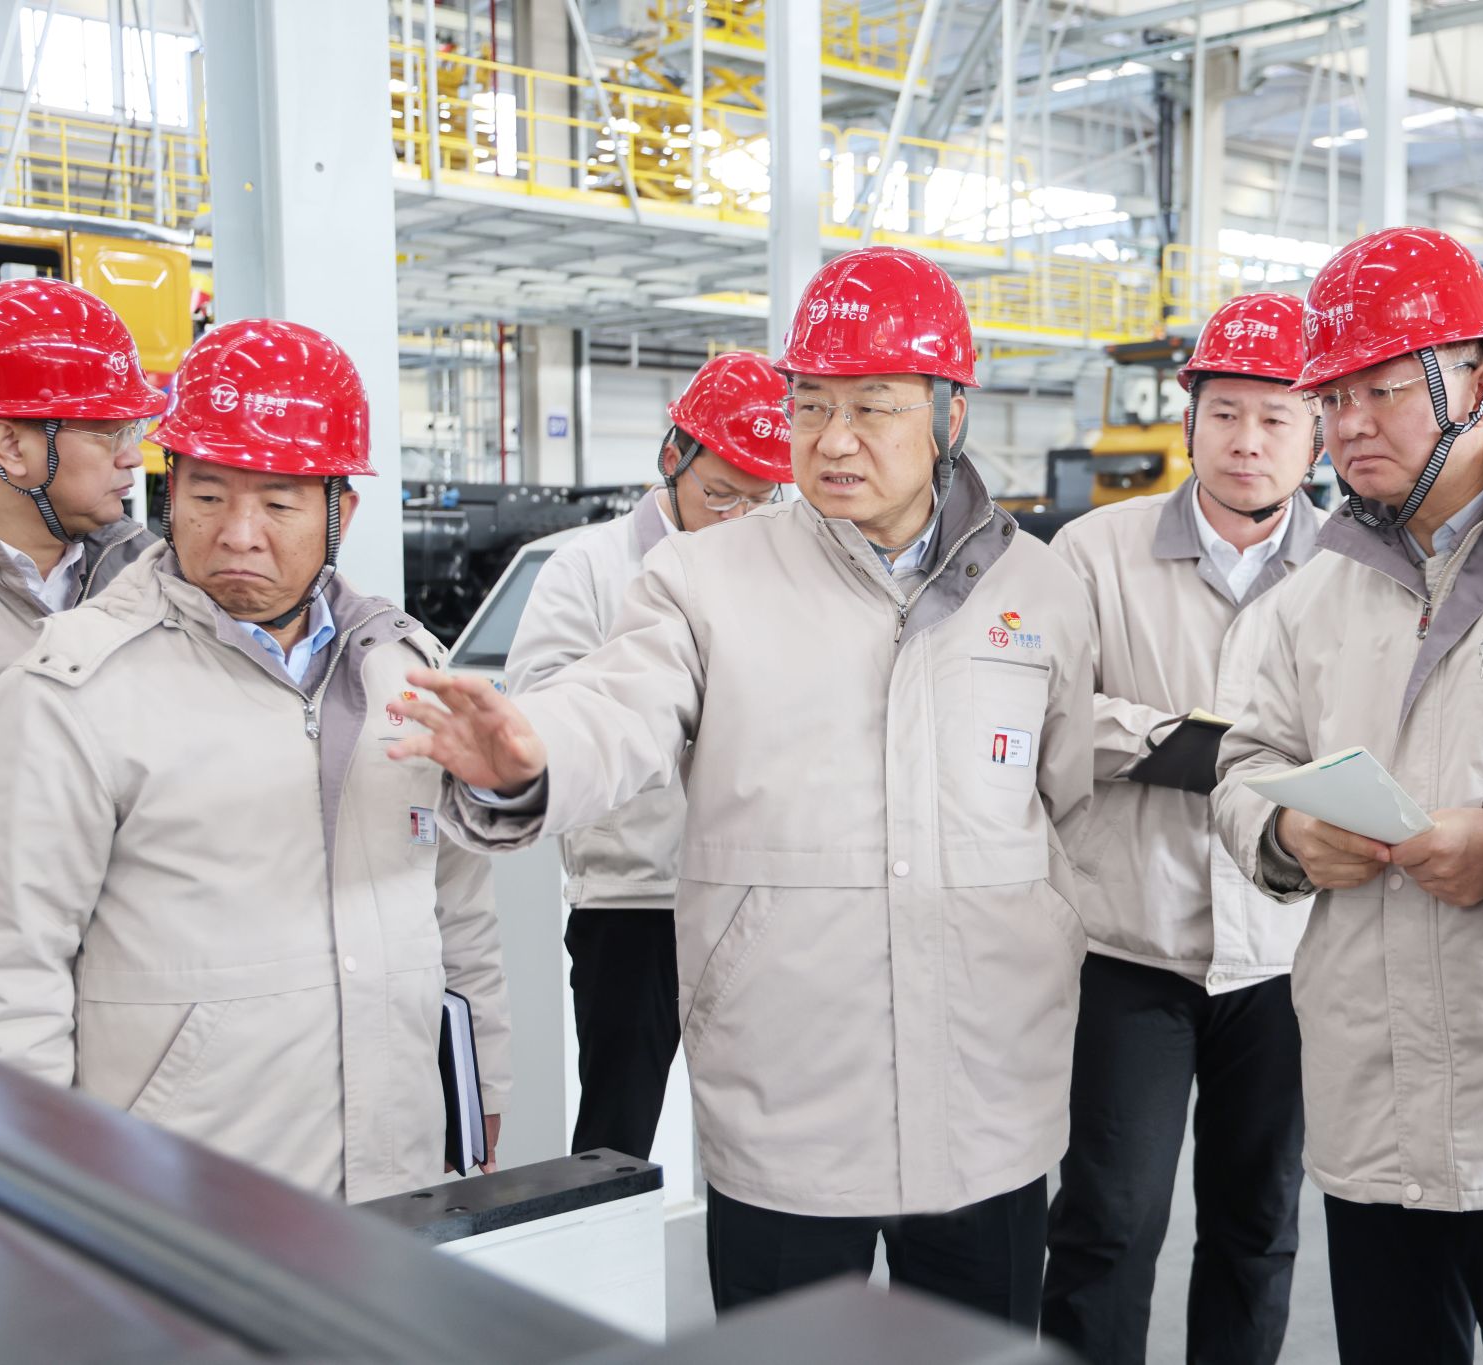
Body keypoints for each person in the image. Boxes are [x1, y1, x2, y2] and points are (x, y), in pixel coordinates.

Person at [389, 245, 1094, 1328]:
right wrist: (535, 754)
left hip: (984, 1098)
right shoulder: (703, 578)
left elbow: (1069, 801)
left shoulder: (1038, 588)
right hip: (787, 1098)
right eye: (811, 405)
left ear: (950, 414)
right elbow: (617, 702)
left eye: (873, 406)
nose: (834, 439)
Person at [0, 319, 513, 1202]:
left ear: (341, 511)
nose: (239, 534)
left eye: (278, 504)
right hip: (178, 1207)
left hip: (395, 1178)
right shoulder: (72, 691)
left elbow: (457, 910)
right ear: (169, 493)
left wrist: (480, 1088)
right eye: (207, 495)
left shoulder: (405, 672)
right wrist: (26, 1204)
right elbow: (3, 982)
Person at [1210, 227, 1483, 1365]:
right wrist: (1283, 830)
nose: (1348, 423)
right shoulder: (1316, 592)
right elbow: (1242, 761)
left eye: (1382, 389)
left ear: (1477, 374)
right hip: (1373, 1095)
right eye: (1331, 397)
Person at [1039, 292, 1324, 1364]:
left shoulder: (1351, 569)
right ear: (1189, 416)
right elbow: (1050, 709)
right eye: (1226, 413)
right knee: (1108, 1221)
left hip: (1285, 955)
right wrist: (1196, 748)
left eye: (1276, 417)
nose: (1248, 440)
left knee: (1258, 1224)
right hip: (1132, 945)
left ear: (1316, 430)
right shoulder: (1092, 553)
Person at [505, 350, 790, 1160]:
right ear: (673, 457)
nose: (736, 519)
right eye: (720, 494)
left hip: (752, 895)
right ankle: (601, 1246)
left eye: (760, 500)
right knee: (618, 1129)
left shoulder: (781, 571)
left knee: (765, 1128)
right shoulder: (588, 568)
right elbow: (541, 708)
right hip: (633, 899)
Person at [0, 278, 165, 1027]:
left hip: (127, 1012)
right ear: (11, 445)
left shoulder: (151, 575)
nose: (134, 458)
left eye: (133, 430)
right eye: (108, 434)